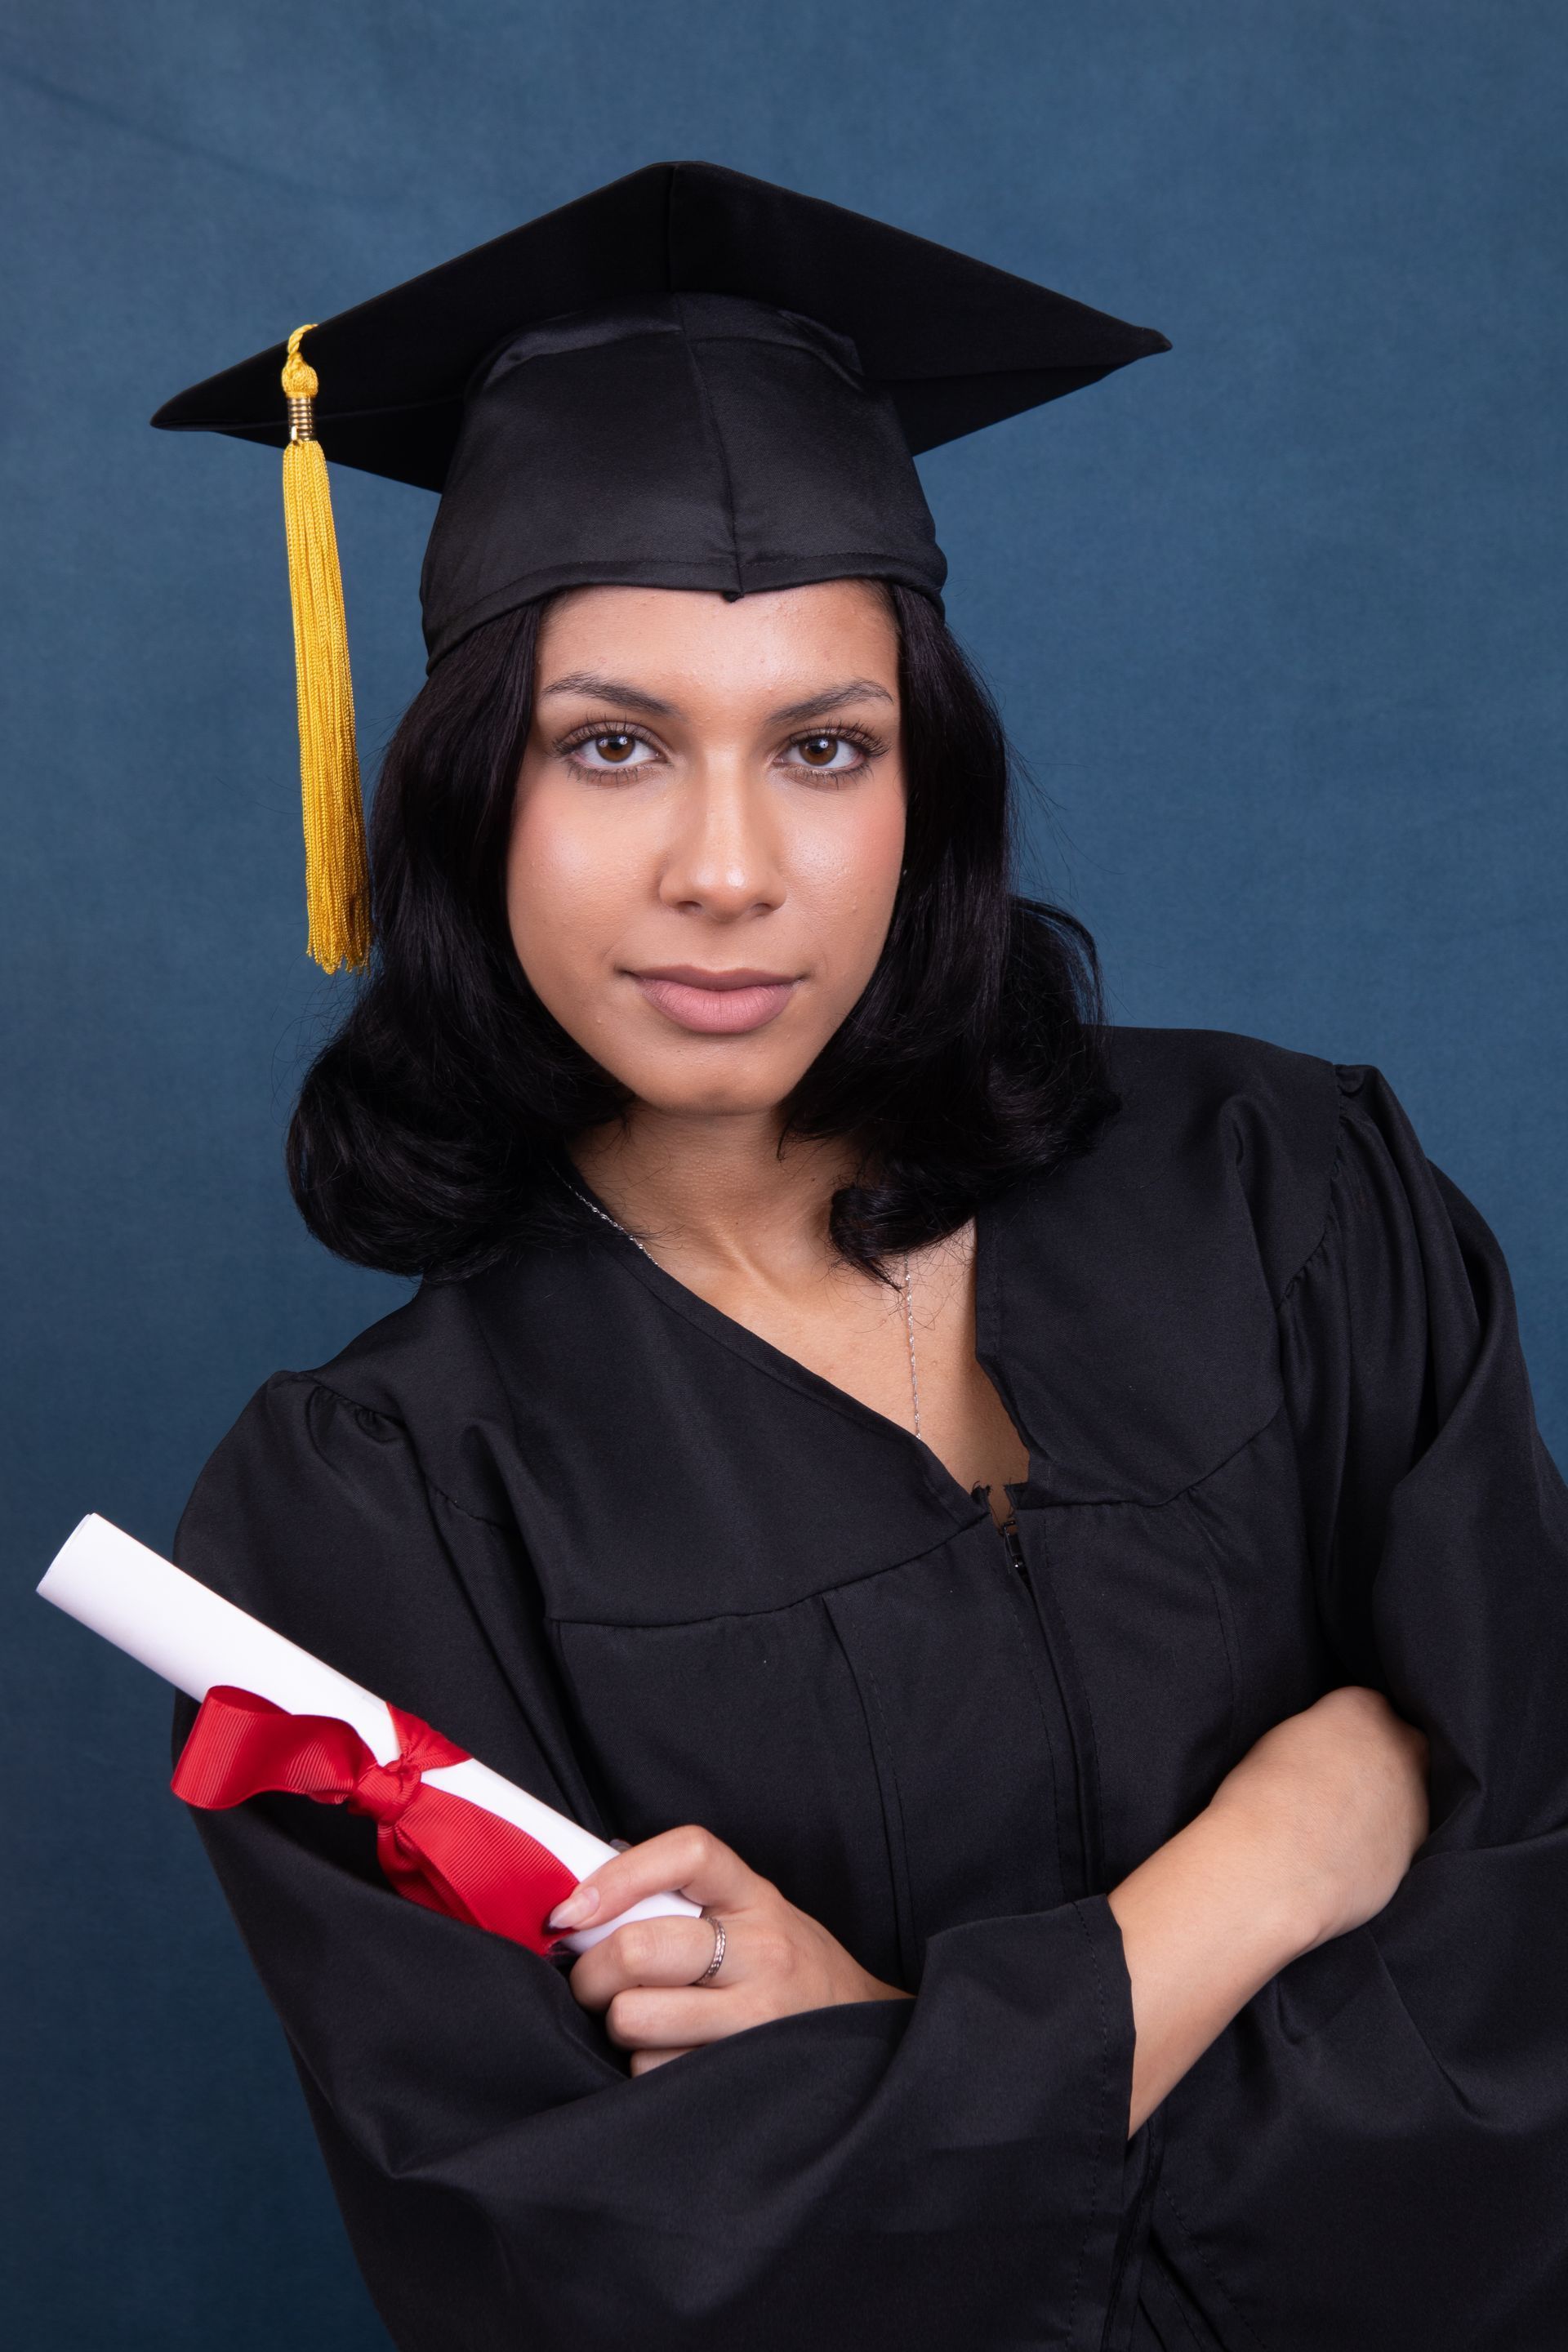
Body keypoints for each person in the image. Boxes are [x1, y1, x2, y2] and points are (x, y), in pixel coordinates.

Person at [158, 163, 1568, 2350]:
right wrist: (1264, 1868)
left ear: (931, 790)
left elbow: (1540, 1966)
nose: (729, 870)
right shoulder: (363, 1531)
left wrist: (907, 2081)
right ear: (461, 804)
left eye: (826, 746)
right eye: (610, 745)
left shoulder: (1291, 1192)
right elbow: (623, 2273)